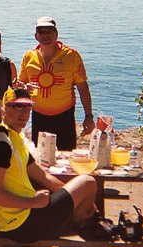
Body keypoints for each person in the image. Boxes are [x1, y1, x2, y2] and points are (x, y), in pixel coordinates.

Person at [0, 88, 97, 247]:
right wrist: (33, 202)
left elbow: (42, 176)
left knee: (66, 201)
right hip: (15, 222)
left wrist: (74, 200)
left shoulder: (14, 137)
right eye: (17, 107)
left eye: (27, 108)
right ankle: (72, 226)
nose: (24, 113)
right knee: (88, 182)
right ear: (4, 109)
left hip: (19, 216)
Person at [17, 16, 95, 151]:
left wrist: (88, 116)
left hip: (64, 115)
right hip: (39, 115)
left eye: (49, 31)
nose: (45, 35)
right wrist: (22, 88)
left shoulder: (71, 56)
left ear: (56, 34)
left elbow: (83, 87)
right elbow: (20, 84)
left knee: (66, 158)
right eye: (41, 31)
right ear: (36, 36)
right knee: (41, 158)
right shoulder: (29, 57)